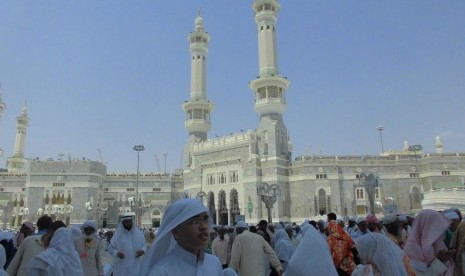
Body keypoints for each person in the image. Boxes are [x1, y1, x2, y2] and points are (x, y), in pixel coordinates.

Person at [140, 198, 222, 275]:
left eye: (205, 219)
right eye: (195, 221)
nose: (203, 226)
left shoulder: (214, 263)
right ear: (176, 231)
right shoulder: (161, 272)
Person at [404, 209, 455, 275]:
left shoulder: (438, 244)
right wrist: (440, 261)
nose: (440, 234)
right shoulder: (412, 250)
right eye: (435, 229)